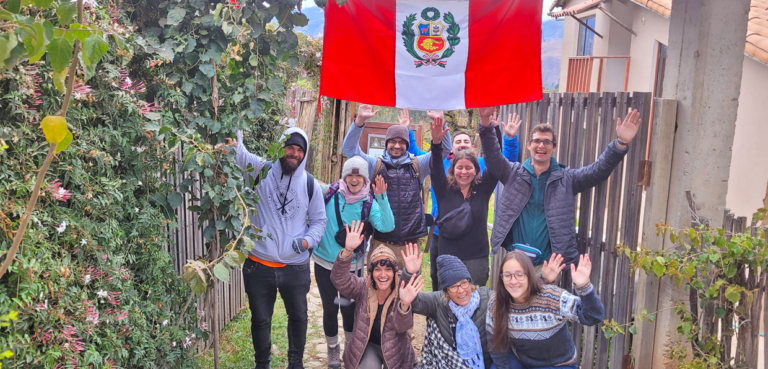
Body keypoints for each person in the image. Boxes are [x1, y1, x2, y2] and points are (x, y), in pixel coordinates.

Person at [478, 107, 642, 277]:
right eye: (537, 141)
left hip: (547, 268)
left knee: (542, 304)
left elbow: (597, 171)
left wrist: (620, 143)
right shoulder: (513, 173)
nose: (541, 145)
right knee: (511, 303)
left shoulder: (567, 179)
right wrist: (485, 123)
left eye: (547, 142)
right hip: (515, 262)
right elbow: (493, 157)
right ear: (529, 145)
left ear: (554, 147)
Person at [235, 127, 328, 369]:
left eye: (299, 150)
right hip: (259, 264)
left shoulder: (310, 184)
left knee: (298, 317)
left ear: (304, 154)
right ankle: (262, 364)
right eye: (290, 147)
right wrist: (235, 126)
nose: (294, 153)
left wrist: (307, 242)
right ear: (281, 147)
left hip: (294, 267)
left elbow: (320, 221)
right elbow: (238, 152)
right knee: (261, 319)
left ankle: (295, 363)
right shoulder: (261, 171)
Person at [401, 109, 521, 290]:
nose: (464, 172)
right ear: (452, 169)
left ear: (476, 169)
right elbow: (430, 163)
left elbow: (498, 162)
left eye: (469, 168)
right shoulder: (443, 188)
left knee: (474, 301)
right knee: (444, 296)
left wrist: (489, 126)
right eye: (460, 168)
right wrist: (435, 142)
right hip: (447, 253)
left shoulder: (483, 187)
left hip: (476, 257)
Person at [342, 104, 452, 268]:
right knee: (377, 291)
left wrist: (440, 122)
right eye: (392, 141)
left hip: (410, 246)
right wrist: (359, 122)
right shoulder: (375, 165)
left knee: (409, 290)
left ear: (407, 144)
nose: (397, 145)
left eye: (401, 142)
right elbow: (349, 149)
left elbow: (445, 150)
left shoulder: (417, 165)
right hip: (381, 242)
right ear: (386, 143)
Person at [313, 156, 395, 369]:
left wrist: (382, 198)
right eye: (350, 174)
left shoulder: (369, 202)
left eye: (359, 175)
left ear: (365, 178)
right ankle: (333, 348)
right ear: (344, 176)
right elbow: (306, 181)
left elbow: (386, 226)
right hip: (325, 262)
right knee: (330, 309)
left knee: (350, 309)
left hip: (353, 266)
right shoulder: (330, 193)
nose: (354, 179)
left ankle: (351, 348)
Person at [486, 251, 604, 368]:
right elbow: (496, 347)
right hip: (521, 360)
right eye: (507, 275)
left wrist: (584, 287)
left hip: (557, 364)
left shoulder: (552, 298)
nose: (513, 281)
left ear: (529, 275)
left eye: (519, 274)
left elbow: (593, 316)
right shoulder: (496, 304)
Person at [331, 221, 421, 369]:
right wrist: (348, 250)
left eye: (388, 269)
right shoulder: (363, 286)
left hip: (395, 349)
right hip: (369, 346)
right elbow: (339, 280)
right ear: (371, 273)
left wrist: (404, 304)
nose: (383, 275)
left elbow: (402, 327)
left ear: (394, 272)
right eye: (377, 269)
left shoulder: (402, 290)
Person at [398, 244, 493, 369]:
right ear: (446, 292)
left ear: (470, 282)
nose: (461, 291)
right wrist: (410, 273)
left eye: (464, 283)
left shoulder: (487, 298)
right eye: (453, 287)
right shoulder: (439, 302)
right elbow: (414, 300)